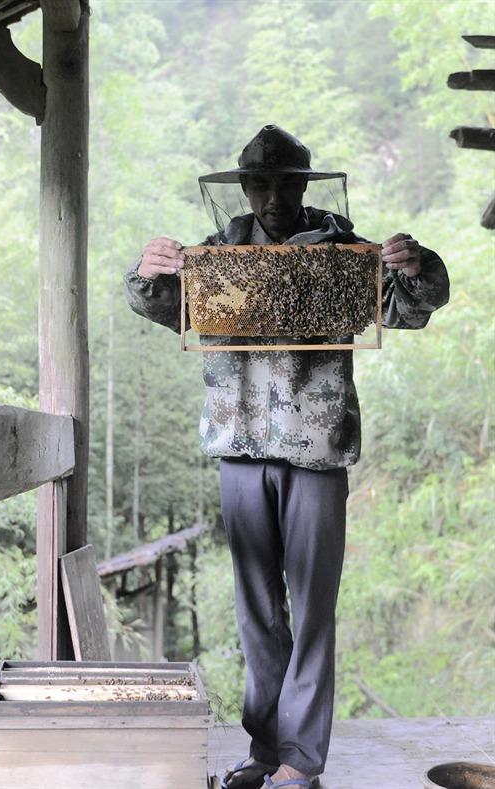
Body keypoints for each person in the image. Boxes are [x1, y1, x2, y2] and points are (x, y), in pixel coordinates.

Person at [124, 125, 449, 789]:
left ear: (305, 185)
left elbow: (413, 306)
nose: (274, 195)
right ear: (244, 187)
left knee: (313, 610)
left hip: (317, 451)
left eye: (287, 182)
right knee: (257, 613)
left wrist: (419, 265)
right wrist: (147, 268)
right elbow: (158, 304)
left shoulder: (343, 251)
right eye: (261, 182)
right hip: (239, 448)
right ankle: (266, 752)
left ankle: (301, 763)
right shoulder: (215, 256)